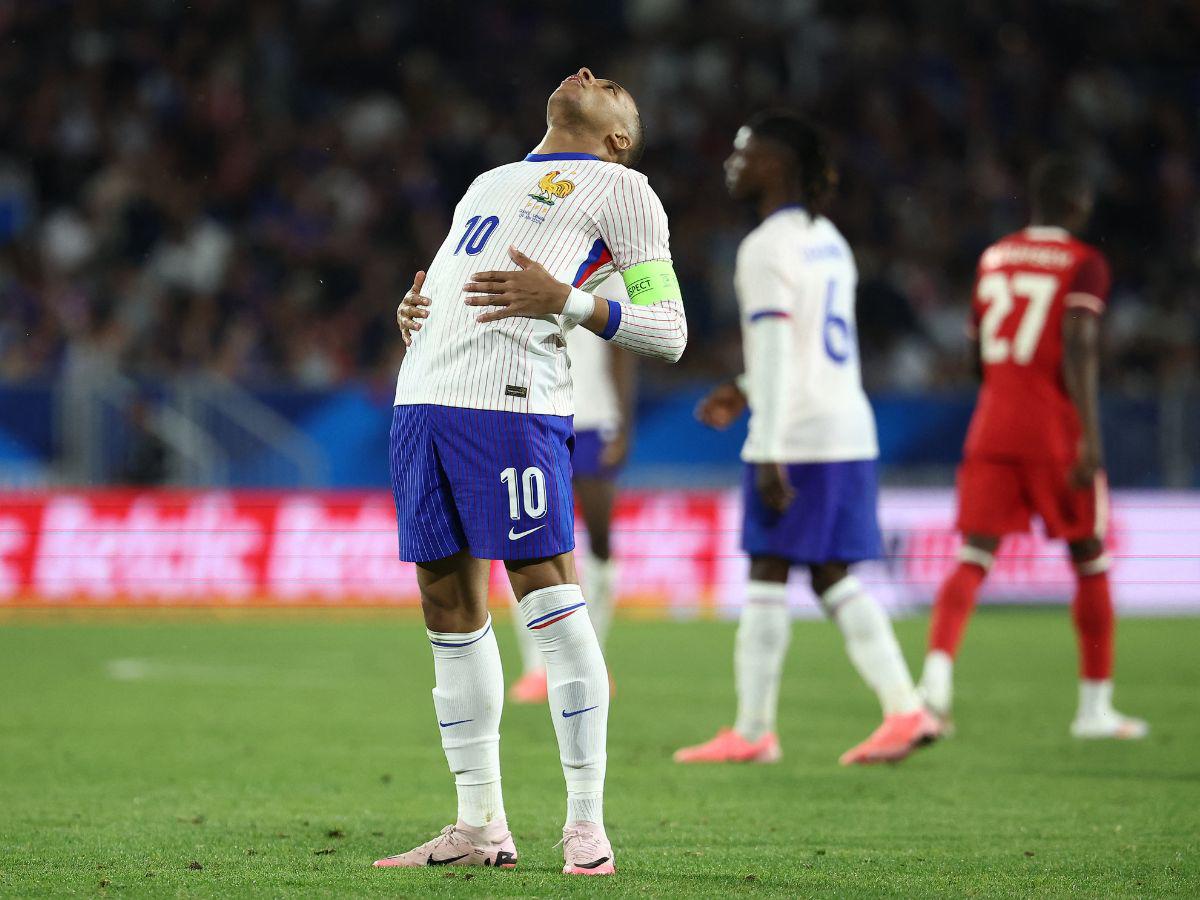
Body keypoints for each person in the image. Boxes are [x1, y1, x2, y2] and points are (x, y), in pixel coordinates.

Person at [374, 68, 686, 876]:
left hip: (512, 406)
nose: (588, 73)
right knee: (445, 599)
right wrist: (417, 312)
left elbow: (668, 330)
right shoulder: (488, 180)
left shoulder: (624, 190)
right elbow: (456, 281)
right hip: (423, 402)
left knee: (546, 586)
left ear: (620, 135)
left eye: (611, 84)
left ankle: (586, 824)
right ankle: (479, 824)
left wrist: (571, 302)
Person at [673, 111, 941, 768]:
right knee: (799, 570)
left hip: (801, 435)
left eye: (744, 151)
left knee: (799, 570)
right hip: (843, 424)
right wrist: (742, 386)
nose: (732, 162)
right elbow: (798, 349)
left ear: (777, 166)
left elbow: (775, 353)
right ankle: (763, 727)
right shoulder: (828, 239)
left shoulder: (765, 248)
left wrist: (767, 445)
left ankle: (892, 711)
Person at [916, 156, 1147, 741]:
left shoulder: (994, 257)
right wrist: (1090, 436)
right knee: (1089, 557)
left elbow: (975, 356)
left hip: (992, 424)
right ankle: (1094, 710)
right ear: (1076, 206)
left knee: (973, 557)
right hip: (1054, 430)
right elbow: (1079, 339)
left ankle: (934, 685)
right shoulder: (1084, 262)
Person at [509, 273, 637, 704]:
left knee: (600, 543)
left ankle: (594, 659)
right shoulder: (528, 250)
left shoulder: (609, 268)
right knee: (528, 540)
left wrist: (624, 423)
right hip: (535, 412)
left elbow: (622, 347)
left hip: (594, 416)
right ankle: (536, 668)